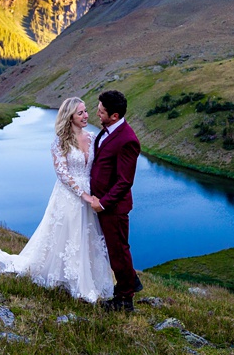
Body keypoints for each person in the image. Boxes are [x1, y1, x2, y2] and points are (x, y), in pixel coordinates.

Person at [0, 97, 114, 303]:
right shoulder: (60, 141)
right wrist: (83, 194)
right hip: (68, 195)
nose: (86, 116)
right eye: (80, 113)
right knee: (68, 235)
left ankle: (91, 279)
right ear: (70, 117)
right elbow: (62, 173)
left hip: (91, 192)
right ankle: (70, 280)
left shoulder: (93, 137)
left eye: (86, 111)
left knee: (89, 236)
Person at [88, 89, 142, 312]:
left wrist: (103, 203)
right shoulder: (106, 131)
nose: (97, 114)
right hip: (102, 205)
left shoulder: (128, 140)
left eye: (101, 112)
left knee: (118, 251)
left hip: (113, 208)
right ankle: (131, 282)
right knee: (114, 250)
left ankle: (124, 300)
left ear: (115, 116)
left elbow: (124, 182)